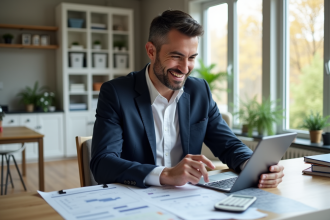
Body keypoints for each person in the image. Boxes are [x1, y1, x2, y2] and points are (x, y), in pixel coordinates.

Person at [90, 10, 284, 188]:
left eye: (191, 57)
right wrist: (164, 174)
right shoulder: (116, 93)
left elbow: (229, 144)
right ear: (151, 51)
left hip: (188, 199)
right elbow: (102, 163)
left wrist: (252, 165)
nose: (185, 68)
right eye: (176, 56)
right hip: (136, 198)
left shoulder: (200, 91)